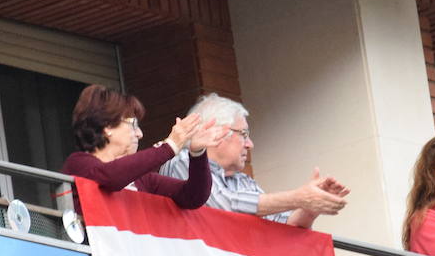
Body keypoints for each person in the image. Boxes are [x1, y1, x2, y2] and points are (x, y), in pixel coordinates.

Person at [159, 93, 348, 228]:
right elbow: (223, 205)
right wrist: (299, 198)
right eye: (243, 134)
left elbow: (287, 225)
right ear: (215, 132)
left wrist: (310, 206)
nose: (250, 144)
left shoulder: (243, 181)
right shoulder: (182, 162)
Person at [61, 85, 225, 212]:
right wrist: (170, 146)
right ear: (107, 126)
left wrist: (197, 153)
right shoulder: (78, 164)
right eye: (133, 124)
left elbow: (193, 196)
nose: (139, 134)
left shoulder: (143, 180)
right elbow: (110, 177)